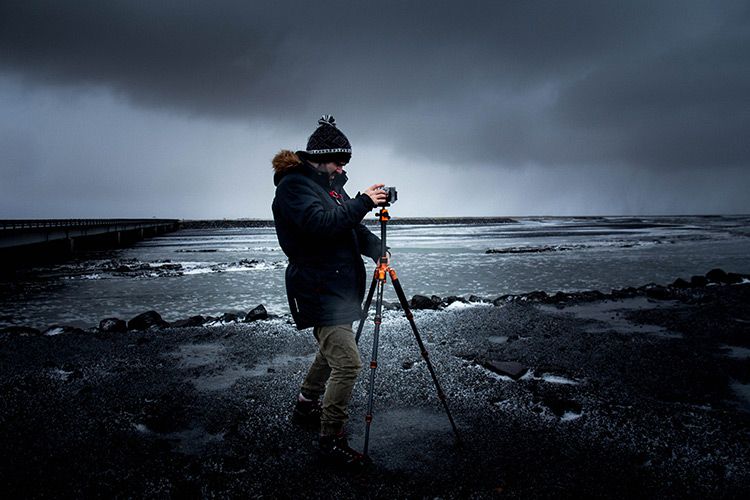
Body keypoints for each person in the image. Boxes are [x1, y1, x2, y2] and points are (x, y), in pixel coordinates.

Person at [271, 115, 387, 466]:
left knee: (331, 351)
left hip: (339, 288)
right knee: (348, 363)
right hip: (318, 287)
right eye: (339, 161)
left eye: (345, 163)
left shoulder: (330, 187)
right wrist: (364, 202)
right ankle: (331, 438)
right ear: (319, 158)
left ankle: (306, 406)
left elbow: (348, 228)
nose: (342, 168)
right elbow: (321, 226)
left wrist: (378, 251)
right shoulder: (294, 187)